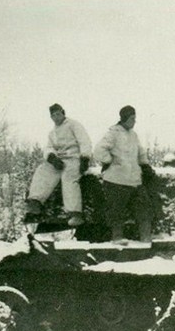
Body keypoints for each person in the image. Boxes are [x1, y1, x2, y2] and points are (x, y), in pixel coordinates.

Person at [93, 105, 155, 243]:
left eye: (135, 118)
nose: (134, 121)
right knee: (116, 211)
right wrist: (109, 161)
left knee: (144, 208)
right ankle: (117, 238)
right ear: (125, 118)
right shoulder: (113, 133)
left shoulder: (133, 135)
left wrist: (145, 165)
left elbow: (140, 152)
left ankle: (146, 237)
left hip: (134, 180)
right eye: (132, 118)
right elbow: (98, 150)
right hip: (116, 180)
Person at [25, 103, 92, 226]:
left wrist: (85, 158)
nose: (56, 117)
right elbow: (49, 147)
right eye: (53, 115)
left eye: (58, 114)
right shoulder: (53, 132)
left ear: (63, 113)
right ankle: (35, 201)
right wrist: (52, 158)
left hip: (74, 158)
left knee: (69, 179)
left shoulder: (73, 125)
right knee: (43, 171)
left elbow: (84, 141)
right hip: (60, 160)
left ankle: (75, 213)